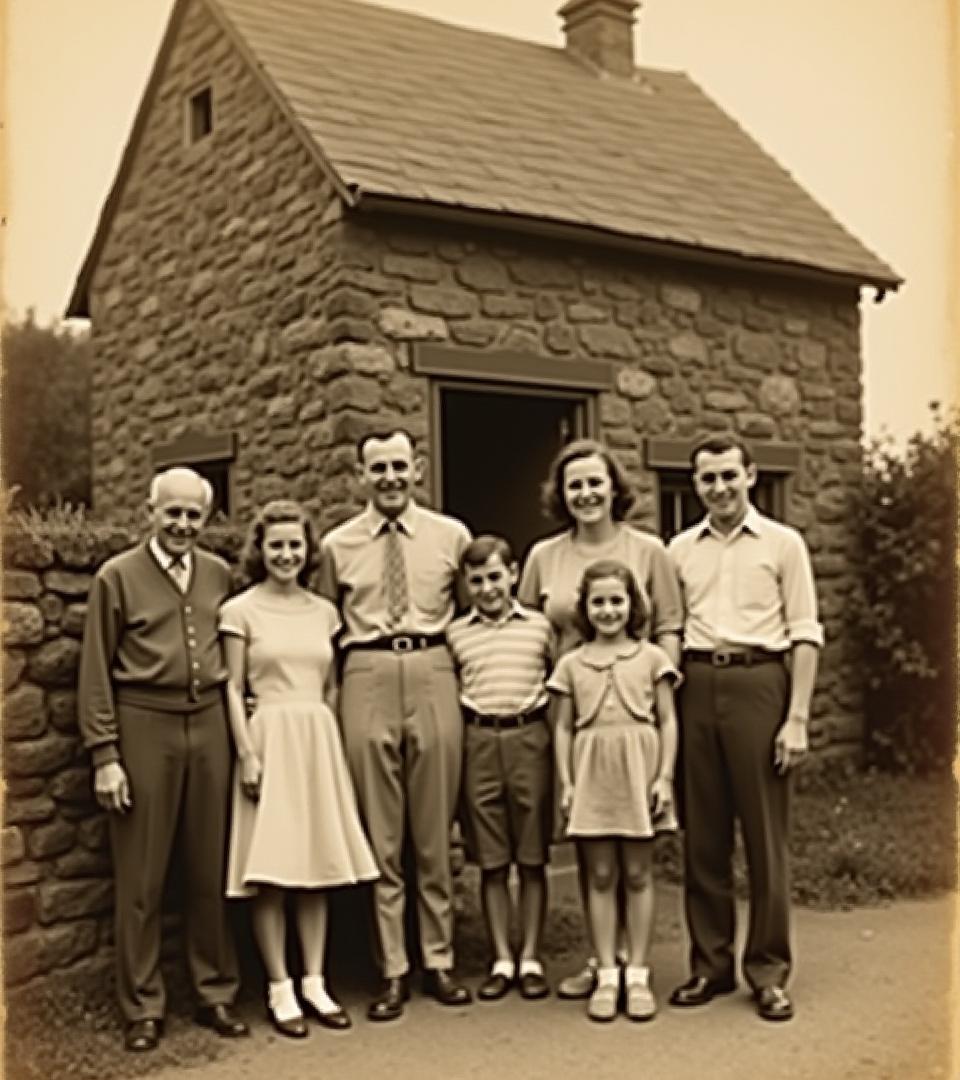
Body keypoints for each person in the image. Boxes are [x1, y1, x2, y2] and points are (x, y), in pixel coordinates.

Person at [77, 467, 247, 1053]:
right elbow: (95, 669)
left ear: (206, 519)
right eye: (171, 513)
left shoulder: (220, 575)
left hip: (209, 726)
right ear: (150, 511)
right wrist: (106, 755)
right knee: (142, 875)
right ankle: (143, 1006)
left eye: (193, 515)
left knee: (211, 864)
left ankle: (215, 991)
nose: (181, 524)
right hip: (143, 722)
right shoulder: (116, 577)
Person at [518, 438, 683, 1000]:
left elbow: (668, 628)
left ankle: (632, 970)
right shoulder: (544, 556)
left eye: (595, 481)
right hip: (572, 710)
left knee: (635, 858)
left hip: (635, 719)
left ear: (614, 487)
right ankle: (601, 963)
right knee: (594, 855)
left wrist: (653, 683)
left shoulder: (650, 552)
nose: (586, 493)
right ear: (562, 495)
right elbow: (527, 631)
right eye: (575, 485)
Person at [667, 434, 822, 1023]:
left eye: (729, 475)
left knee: (763, 837)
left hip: (761, 683)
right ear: (696, 484)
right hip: (698, 683)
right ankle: (709, 966)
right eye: (708, 479)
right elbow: (669, 628)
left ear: (750, 475)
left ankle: (768, 971)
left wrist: (797, 718)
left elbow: (806, 633)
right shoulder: (678, 550)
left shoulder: (784, 545)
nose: (720, 488)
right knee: (703, 837)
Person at [319, 428, 473, 1021]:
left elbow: (469, 612)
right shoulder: (337, 545)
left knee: (433, 830)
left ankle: (438, 960)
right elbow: (326, 626)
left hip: (433, 665)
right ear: (361, 474)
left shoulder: (449, 536)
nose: (389, 478)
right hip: (367, 670)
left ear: (417, 469)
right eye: (377, 468)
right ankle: (393, 970)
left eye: (399, 466)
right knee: (381, 835)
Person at [220, 500, 378, 1037]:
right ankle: (279, 987)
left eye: (295, 545)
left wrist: (330, 742)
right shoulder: (240, 611)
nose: (286, 554)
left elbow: (331, 684)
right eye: (276, 545)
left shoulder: (323, 612)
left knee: (316, 868)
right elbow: (233, 687)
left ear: (308, 551)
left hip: (316, 738)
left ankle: (316, 981)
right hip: (268, 737)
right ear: (259, 551)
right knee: (273, 873)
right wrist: (246, 753)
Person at [548, 559, 679, 1022]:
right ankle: (606, 972)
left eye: (617, 601)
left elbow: (667, 720)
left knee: (639, 873)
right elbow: (562, 728)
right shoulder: (571, 664)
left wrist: (663, 777)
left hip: (638, 770)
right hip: (592, 772)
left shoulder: (652, 659)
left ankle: (637, 973)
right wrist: (566, 783)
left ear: (632, 605)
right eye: (598, 602)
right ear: (584, 608)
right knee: (600, 874)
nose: (608, 611)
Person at [446, 535, 555, 1003]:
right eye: (477, 581)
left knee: (531, 858)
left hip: (529, 736)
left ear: (513, 574)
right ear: (466, 585)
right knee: (491, 861)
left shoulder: (539, 627)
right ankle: (500, 958)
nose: (488, 588)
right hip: (479, 741)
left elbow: (558, 681)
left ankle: (530, 956)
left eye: (495, 576)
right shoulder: (456, 633)